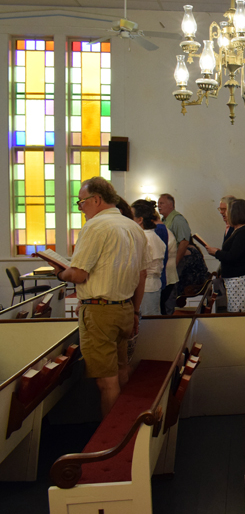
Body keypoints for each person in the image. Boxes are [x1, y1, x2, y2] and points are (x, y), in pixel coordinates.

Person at [51, 177, 148, 418]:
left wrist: (61, 273)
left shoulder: (95, 227)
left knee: (106, 382)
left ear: (96, 199)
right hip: (125, 308)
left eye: (81, 202)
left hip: (100, 311)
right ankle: (123, 429)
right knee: (121, 371)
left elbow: (79, 274)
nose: (80, 207)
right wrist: (135, 311)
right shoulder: (133, 227)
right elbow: (141, 275)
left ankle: (110, 444)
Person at [201, 199, 245, 313]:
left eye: (228, 211)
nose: (226, 214)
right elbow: (234, 252)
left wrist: (216, 253)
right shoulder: (239, 230)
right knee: (233, 310)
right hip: (235, 278)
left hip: (240, 279)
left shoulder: (244, 232)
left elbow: (233, 256)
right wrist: (218, 251)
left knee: (238, 313)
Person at [131, 201, 166, 317]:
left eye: (131, 217)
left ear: (140, 220)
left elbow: (140, 269)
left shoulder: (144, 238)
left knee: (148, 324)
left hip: (146, 287)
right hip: (152, 285)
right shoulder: (152, 236)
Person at [157, 193, 192, 267]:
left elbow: (184, 242)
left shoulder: (178, 220)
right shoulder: (163, 220)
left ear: (170, 205)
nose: (158, 206)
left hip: (179, 262)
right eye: (158, 203)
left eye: (161, 203)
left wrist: (175, 262)